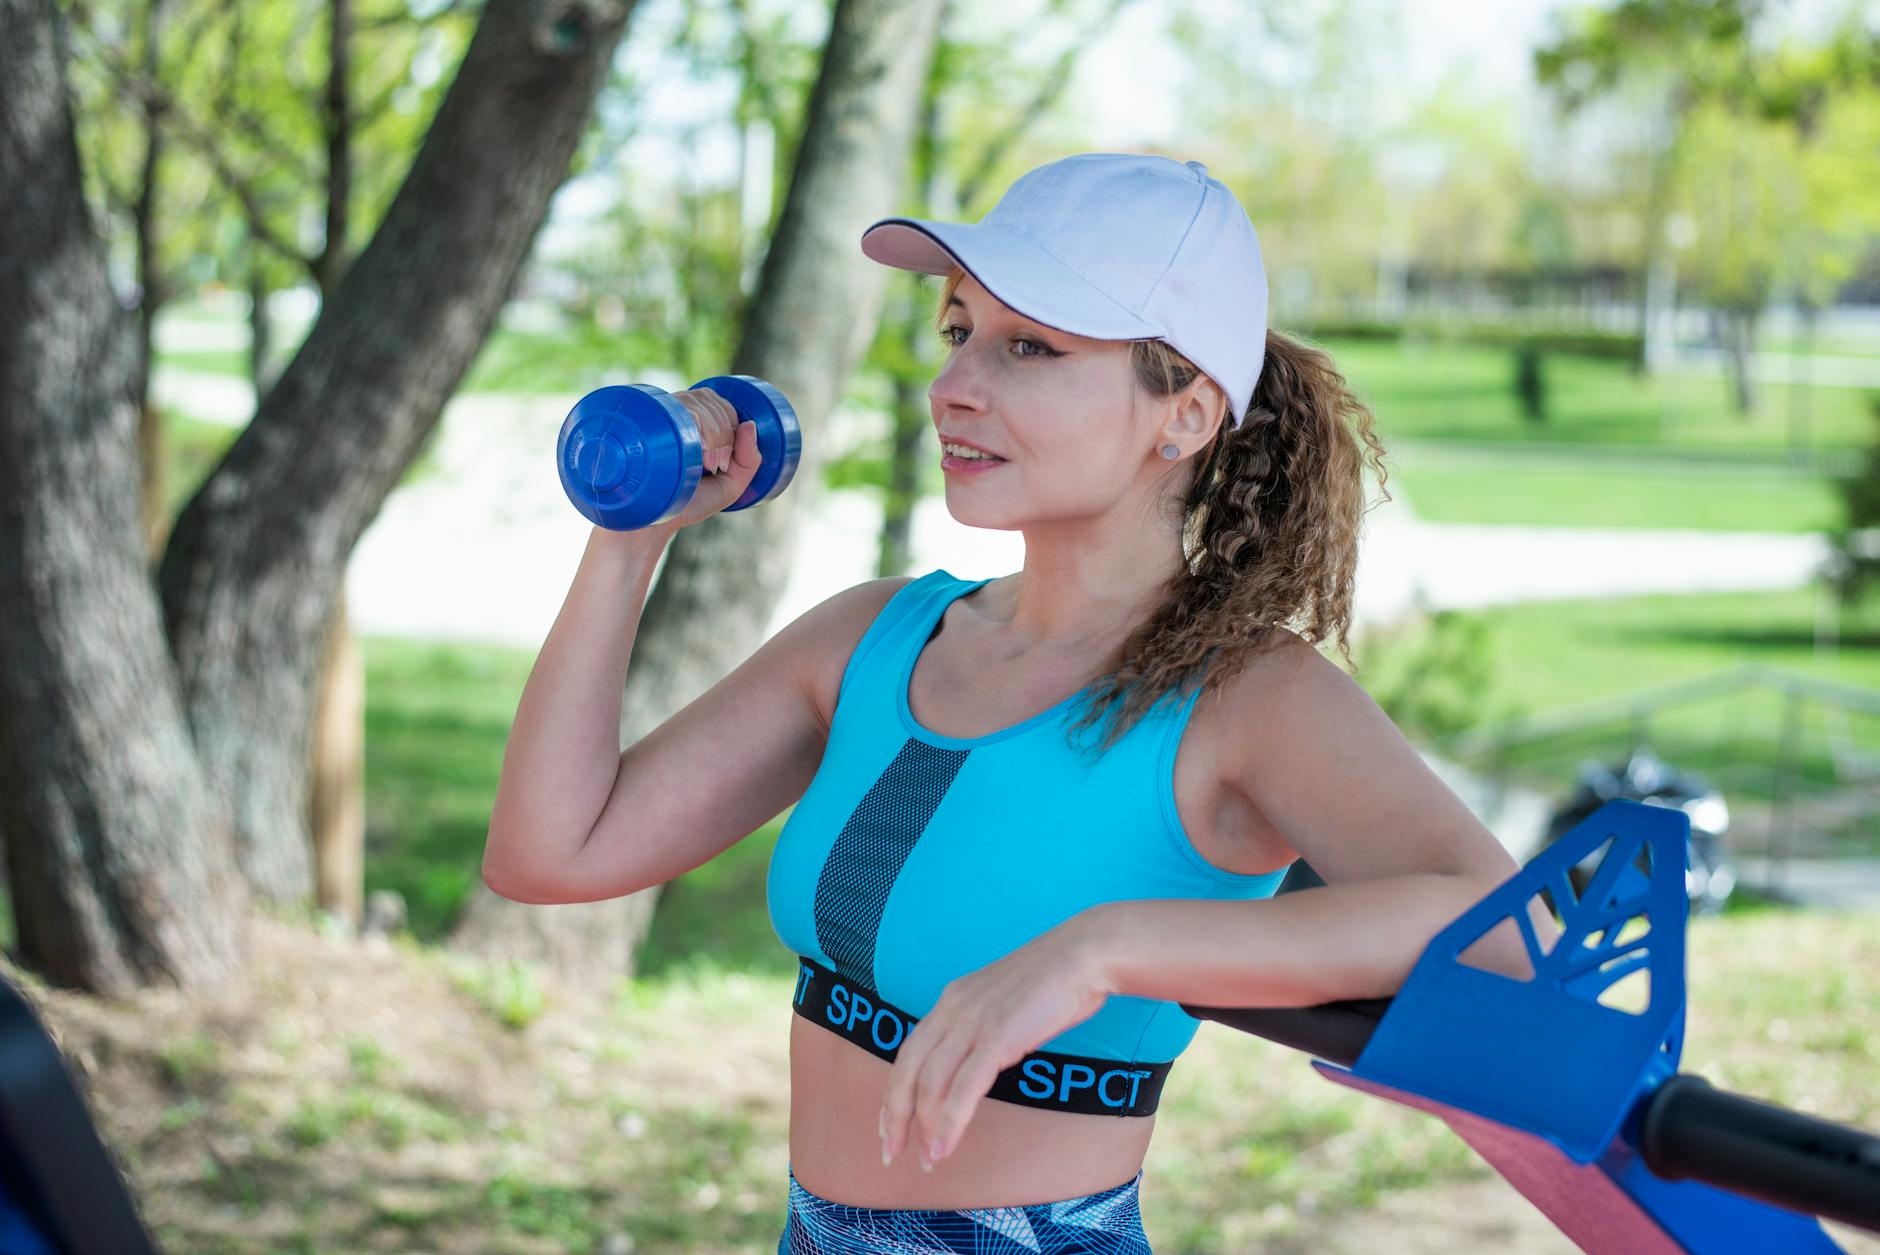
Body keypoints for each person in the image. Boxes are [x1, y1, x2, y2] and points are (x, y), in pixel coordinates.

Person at [482, 151, 1534, 1254]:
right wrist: (626, 543)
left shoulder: (1243, 696)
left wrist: (1105, 948)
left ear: (1182, 414)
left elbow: (1509, 935)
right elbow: (550, 853)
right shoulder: (875, 640)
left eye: (1029, 346)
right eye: (958, 332)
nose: (952, 386)